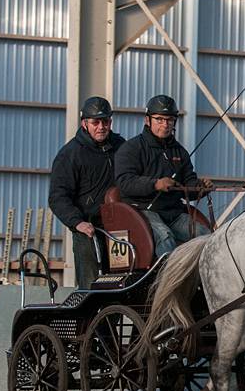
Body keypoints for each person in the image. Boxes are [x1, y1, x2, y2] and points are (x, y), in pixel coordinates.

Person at [114, 94, 212, 258]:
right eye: (159, 119)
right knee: (165, 237)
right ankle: (168, 281)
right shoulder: (131, 148)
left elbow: (188, 184)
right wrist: (155, 184)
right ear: (147, 120)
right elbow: (125, 182)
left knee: (207, 236)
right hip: (142, 210)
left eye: (169, 120)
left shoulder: (180, 152)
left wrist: (200, 187)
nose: (165, 124)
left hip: (173, 212)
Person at [49, 96, 125, 288]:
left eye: (105, 121)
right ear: (85, 123)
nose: (101, 127)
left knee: (122, 280)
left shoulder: (121, 147)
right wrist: (77, 223)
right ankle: (90, 317)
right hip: (88, 228)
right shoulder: (70, 154)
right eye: (95, 122)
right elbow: (58, 196)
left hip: (118, 227)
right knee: (91, 284)